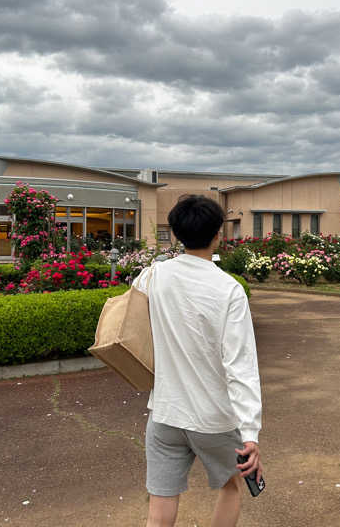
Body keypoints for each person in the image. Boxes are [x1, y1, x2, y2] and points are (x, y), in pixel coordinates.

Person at [132, 195, 263, 527]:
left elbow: (133, 309)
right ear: (219, 233)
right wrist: (249, 433)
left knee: (160, 504)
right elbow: (240, 366)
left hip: (165, 413)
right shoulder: (229, 290)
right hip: (213, 418)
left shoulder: (154, 275)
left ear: (176, 234)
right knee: (232, 486)